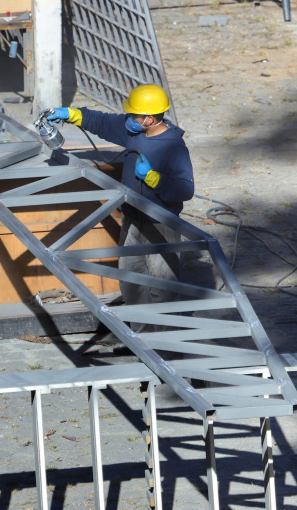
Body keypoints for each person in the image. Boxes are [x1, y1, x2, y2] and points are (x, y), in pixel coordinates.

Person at [46, 84, 195, 331]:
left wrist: (152, 178)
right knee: (131, 281)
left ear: (149, 118)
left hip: (161, 224)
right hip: (133, 219)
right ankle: (140, 340)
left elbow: (184, 190)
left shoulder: (174, 147)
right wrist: (69, 114)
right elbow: (102, 122)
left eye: (133, 116)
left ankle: (168, 347)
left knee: (162, 287)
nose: (128, 120)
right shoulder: (134, 132)